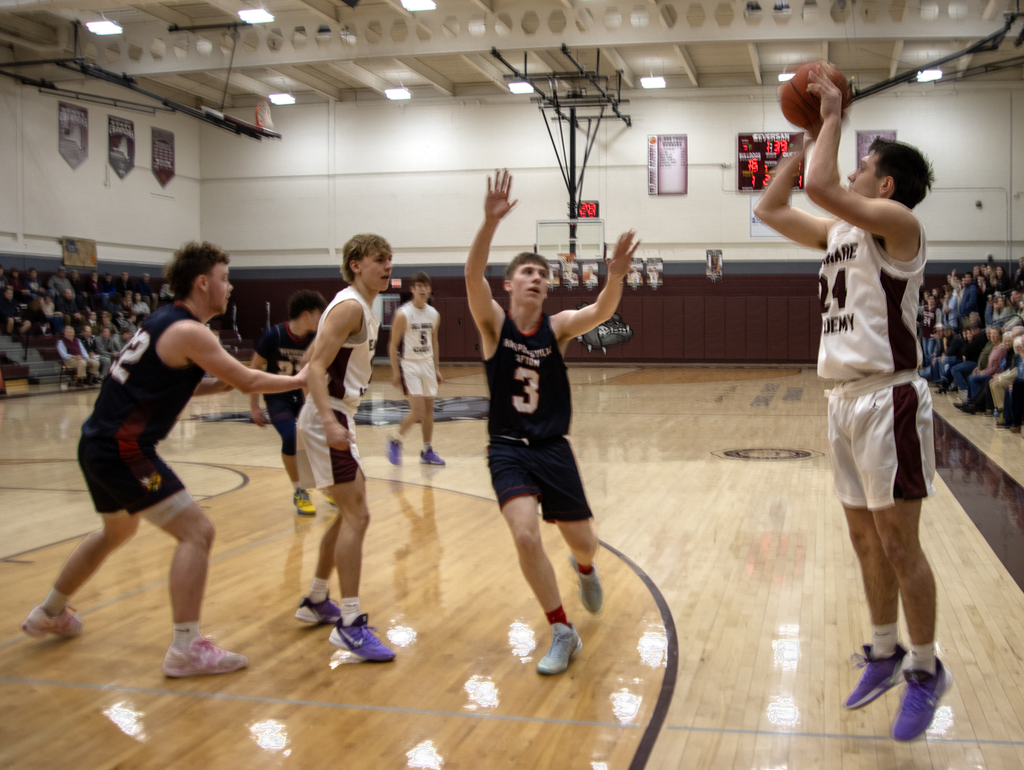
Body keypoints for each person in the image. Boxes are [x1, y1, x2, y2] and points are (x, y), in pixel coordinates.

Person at [753, 65, 949, 742]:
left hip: (889, 398)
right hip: (841, 401)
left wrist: (829, 117)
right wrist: (807, 135)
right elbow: (770, 210)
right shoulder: (836, 233)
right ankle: (886, 648)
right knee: (865, 542)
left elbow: (819, 187)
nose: (853, 169)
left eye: (864, 164)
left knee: (900, 543)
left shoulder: (898, 225)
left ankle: (926, 669)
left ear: (885, 184)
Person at [21, 241, 308, 678]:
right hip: (125, 452)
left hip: (97, 444)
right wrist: (303, 375)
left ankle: (49, 612)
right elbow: (248, 376)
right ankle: (185, 646)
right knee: (198, 531)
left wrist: (223, 385)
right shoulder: (193, 331)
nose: (229, 287)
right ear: (202, 282)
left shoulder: (163, 321)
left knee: (117, 531)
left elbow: (174, 384)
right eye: (225, 278)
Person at [465, 169, 641, 676]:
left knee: (584, 540)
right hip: (506, 446)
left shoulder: (557, 328)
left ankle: (583, 567)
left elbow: (602, 310)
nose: (538, 279)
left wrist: (616, 275)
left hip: (552, 447)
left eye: (543, 275)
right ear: (511, 284)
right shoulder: (493, 324)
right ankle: (561, 630)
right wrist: (488, 223)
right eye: (528, 274)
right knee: (524, 535)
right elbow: (471, 276)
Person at [292, 233, 396, 661]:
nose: (387, 266)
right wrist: (329, 418)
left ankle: (317, 600)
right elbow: (314, 368)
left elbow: (307, 362)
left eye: (390, 259)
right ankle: (349, 625)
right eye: (378, 260)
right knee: (358, 513)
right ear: (355, 264)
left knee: (349, 511)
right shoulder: (351, 305)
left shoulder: (360, 307)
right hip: (328, 415)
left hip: (333, 413)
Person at [249, 289, 327, 516]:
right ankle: (299, 490)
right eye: (318, 314)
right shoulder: (275, 336)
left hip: (304, 397)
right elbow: (254, 368)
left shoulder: (315, 339)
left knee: (319, 441)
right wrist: (254, 405)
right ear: (305, 315)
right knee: (291, 437)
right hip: (277, 398)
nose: (321, 319)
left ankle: (325, 485)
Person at [387, 272, 445, 466]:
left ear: (429, 289)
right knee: (418, 412)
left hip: (427, 364)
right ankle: (395, 440)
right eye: (418, 286)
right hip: (409, 365)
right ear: (412, 289)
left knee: (429, 412)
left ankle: (427, 451)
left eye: (425, 286)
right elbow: (393, 345)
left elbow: (434, 342)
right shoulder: (403, 314)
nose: (422, 289)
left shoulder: (433, 314)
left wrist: (436, 368)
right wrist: (396, 372)